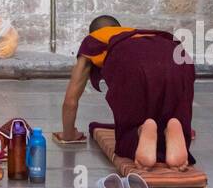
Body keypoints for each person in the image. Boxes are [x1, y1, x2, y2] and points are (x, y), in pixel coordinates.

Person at [57, 15, 195, 169]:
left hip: (132, 60)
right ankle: (174, 127)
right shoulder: (137, 33)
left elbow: (70, 100)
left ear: (93, 32)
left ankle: (141, 131)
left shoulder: (93, 41)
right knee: (173, 106)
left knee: (127, 134)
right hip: (177, 55)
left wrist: (68, 134)